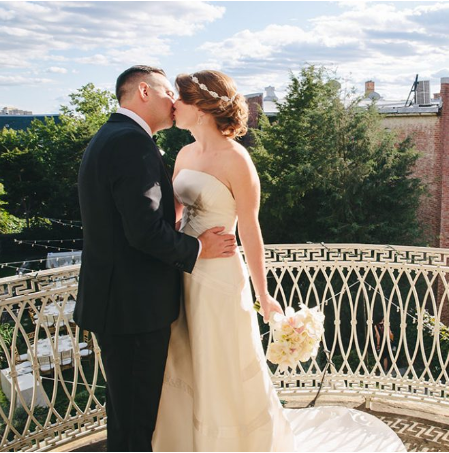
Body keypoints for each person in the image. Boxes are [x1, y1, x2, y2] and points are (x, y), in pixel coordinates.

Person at [151, 70, 405, 452]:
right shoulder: (184, 153)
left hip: (219, 275)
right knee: (187, 358)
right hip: (185, 270)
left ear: (201, 108)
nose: (173, 106)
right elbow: (170, 217)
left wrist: (263, 294)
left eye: (181, 100)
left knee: (220, 360)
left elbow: (250, 231)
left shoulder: (237, 160)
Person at [74, 65, 237, 452]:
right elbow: (143, 233)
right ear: (144, 92)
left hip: (119, 301)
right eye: (169, 93)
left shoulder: (113, 136)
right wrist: (200, 248)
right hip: (133, 307)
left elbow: (131, 218)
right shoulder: (131, 142)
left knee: (127, 415)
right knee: (135, 425)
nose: (175, 101)